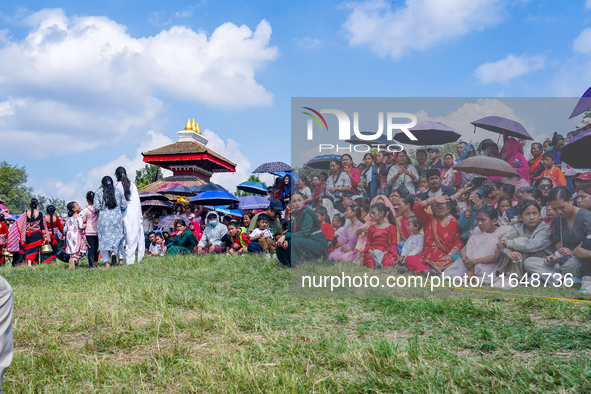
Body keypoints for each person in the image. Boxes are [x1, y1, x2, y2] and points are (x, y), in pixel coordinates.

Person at [524, 187, 591, 285]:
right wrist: (555, 257)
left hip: (580, 260)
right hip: (563, 262)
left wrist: (572, 253)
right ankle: (564, 279)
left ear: (571, 200)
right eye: (555, 208)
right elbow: (558, 248)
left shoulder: (587, 217)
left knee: (574, 263)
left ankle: (550, 277)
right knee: (530, 262)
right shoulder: (556, 221)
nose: (559, 212)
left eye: (562, 207)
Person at [444, 206, 511, 284]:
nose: (479, 223)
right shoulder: (478, 231)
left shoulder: (500, 234)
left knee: (490, 241)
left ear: (494, 221)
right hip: (471, 262)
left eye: (483, 220)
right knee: (473, 239)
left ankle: (472, 274)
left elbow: (496, 257)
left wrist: (474, 261)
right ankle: (471, 272)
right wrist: (465, 259)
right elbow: (463, 249)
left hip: (488, 264)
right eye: (478, 220)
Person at [496, 200, 552, 285]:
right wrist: (508, 252)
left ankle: (515, 277)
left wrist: (506, 243)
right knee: (512, 238)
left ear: (540, 215)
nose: (532, 217)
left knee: (522, 240)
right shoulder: (518, 227)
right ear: (520, 217)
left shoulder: (545, 229)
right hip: (522, 260)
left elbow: (530, 245)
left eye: (535, 213)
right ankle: (505, 275)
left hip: (538, 260)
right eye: (527, 214)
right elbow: (501, 243)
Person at [405, 195, 463, 276]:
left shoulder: (454, 223)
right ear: (432, 209)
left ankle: (421, 269)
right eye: (437, 205)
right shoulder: (427, 219)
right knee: (409, 259)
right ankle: (425, 270)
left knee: (451, 265)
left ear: (448, 209)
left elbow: (458, 242)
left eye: (443, 205)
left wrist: (449, 255)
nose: (440, 207)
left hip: (444, 258)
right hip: (426, 258)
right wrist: (432, 200)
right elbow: (416, 209)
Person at [276, 192, 327, 266]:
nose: (297, 203)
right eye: (294, 201)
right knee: (280, 243)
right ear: (290, 203)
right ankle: (287, 263)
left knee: (292, 241)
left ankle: (304, 263)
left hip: (317, 243)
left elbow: (304, 233)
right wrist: (284, 239)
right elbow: (290, 231)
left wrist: (285, 237)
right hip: (303, 240)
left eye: (299, 200)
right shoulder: (293, 214)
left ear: (303, 200)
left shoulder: (307, 213)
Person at [94, 176, 128, 267]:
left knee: (103, 242)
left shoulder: (98, 193)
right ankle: (113, 253)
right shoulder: (118, 192)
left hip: (104, 220)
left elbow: (96, 207)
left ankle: (106, 263)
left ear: (102, 184)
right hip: (116, 219)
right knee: (116, 239)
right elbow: (124, 205)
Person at [115, 166, 145, 265]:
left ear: (117, 175)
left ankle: (120, 260)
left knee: (120, 240)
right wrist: (139, 217)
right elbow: (137, 203)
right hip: (133, 215)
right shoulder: (133, 185)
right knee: (131, 240)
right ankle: (130, 261)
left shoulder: (116, 185)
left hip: (121, 214)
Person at [14, 199, 51, 266]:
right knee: (35, 250)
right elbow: (42, 227)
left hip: (27, 235)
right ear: (37, 205)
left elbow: (18, 224)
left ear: (29, 204)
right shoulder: (40, 214)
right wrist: (45, 236)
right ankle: (33, 263)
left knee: (27, 250)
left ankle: (29, 262)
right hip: (37, 234)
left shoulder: (25, 213)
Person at [363, 202, 399, 269]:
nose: (371, 215)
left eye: (373, 213)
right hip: (374, 251)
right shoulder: (371, 228)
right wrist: (370, 250)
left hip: (385, 252)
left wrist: (384, 253)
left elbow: (393, 244)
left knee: (386, 261)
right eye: (371, 213)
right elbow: (368, 243)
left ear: (381, 213)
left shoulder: (391, 227)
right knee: (370, 262)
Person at [64, 201, 87, 269]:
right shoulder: (78, 216)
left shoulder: (68, 218)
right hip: (76, 234)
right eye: (77, 205)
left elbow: (65, 229)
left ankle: (72, 261)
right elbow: (81, 226)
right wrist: (87, 225)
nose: (79, 206)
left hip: (69, 235)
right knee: (77, 250)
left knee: (72, 250)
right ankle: (74, 261)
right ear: (74, 209)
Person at [81, 191, 99, 268]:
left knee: (90, 248)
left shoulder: (85, 210)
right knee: (97, 248)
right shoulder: (98, 208)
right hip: (98, 231)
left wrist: (85, 223)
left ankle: (91, 264)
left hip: (89, 231)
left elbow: (82, 219)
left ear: (87, 200)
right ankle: (95, 262)